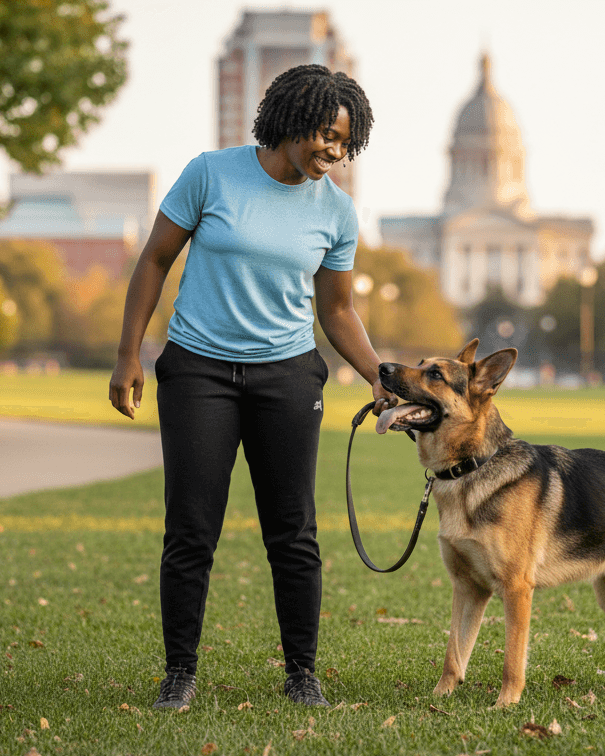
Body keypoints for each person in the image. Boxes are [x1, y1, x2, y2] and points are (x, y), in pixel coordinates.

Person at [108, 64, 394, 710]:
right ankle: (179, 674)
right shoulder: (210, 174)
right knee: (191, 529)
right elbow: (154, 260)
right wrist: (129, 354)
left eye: (345, 142)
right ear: (292, 120)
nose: (334, 151)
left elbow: (339, 310)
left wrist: (377, 373)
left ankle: (302, 675)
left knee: (292, 532)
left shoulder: (337, 212)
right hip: (198, 371)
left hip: (287, 377)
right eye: (326, 134)